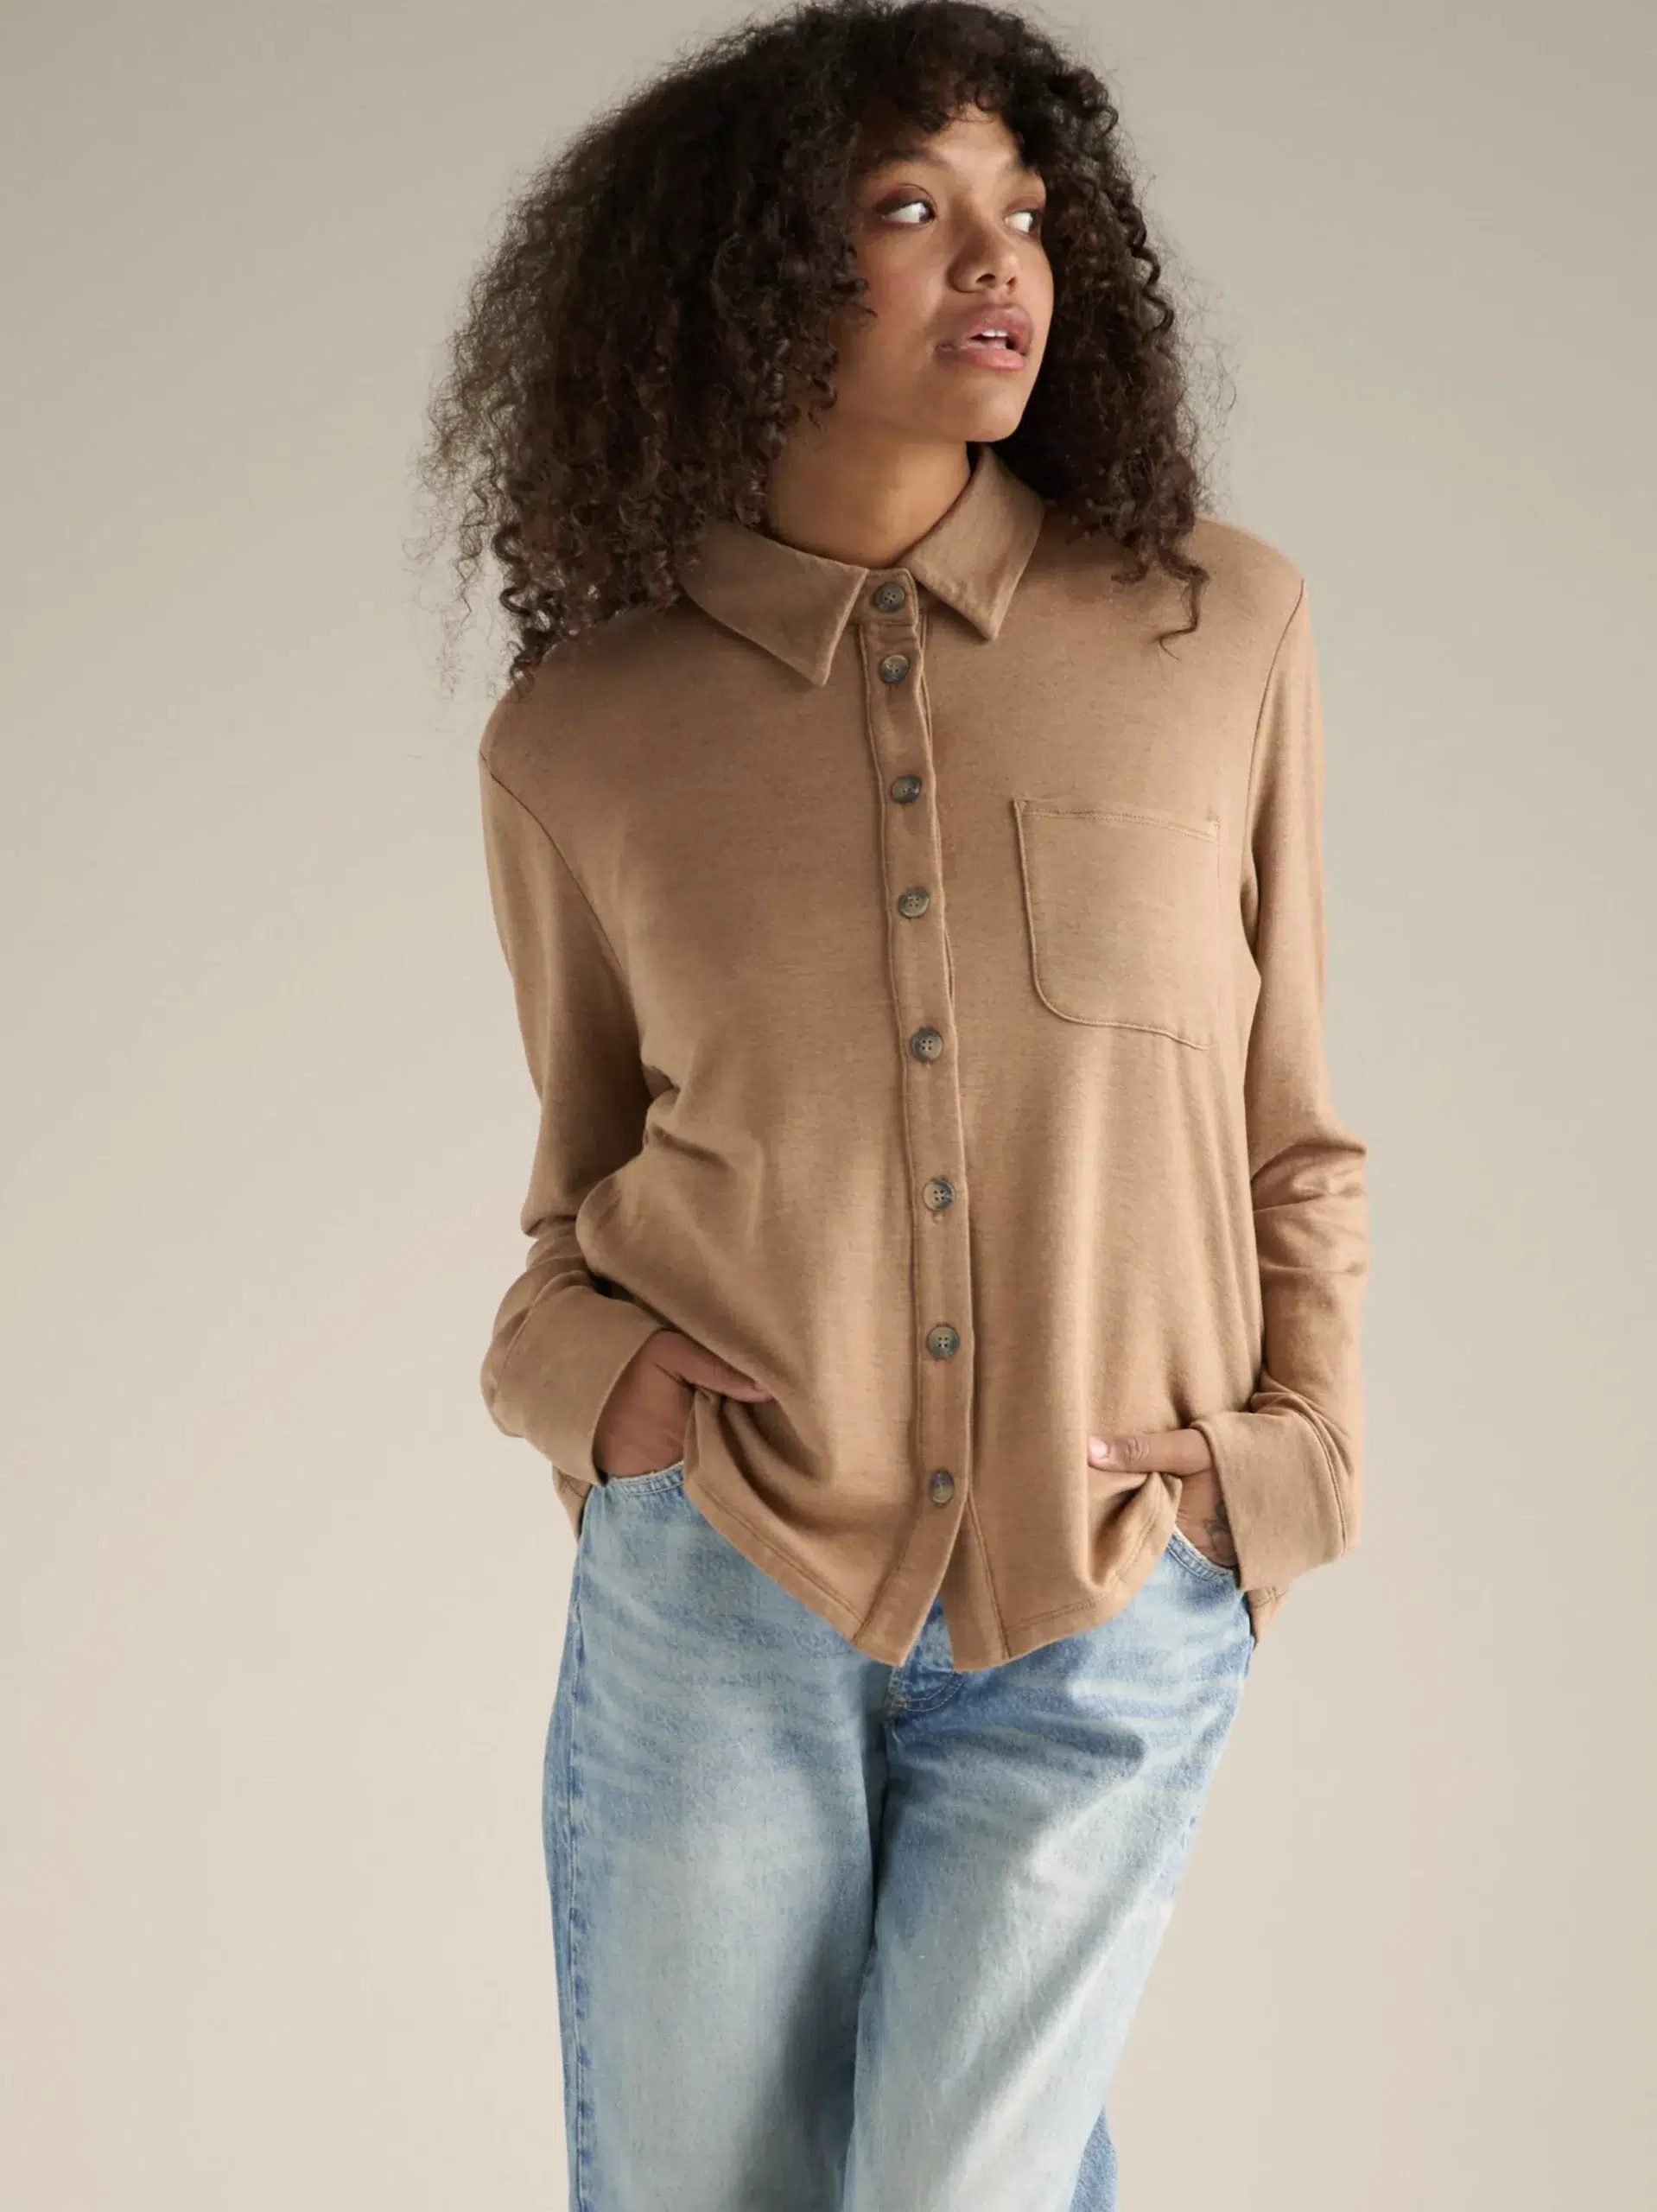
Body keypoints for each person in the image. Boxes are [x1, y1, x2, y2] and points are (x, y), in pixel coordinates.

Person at [418, 3, 1369, 2204]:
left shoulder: (1212, 629)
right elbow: (574, 1197)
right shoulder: (583, 733)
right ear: (752, 271)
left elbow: (1287, 1118)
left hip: (1108, 1575)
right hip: (718, 1586)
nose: (995, 260)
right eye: (912, 209)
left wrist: (1291, 1464)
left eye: (1022, 210)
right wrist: (599, 1396)